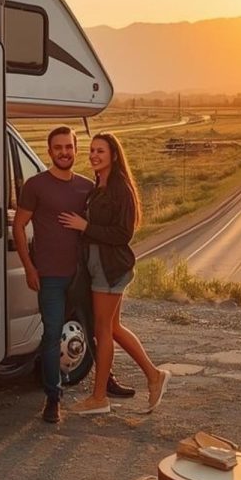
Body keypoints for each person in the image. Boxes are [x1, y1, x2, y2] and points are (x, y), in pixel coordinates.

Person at [12, 126, 136, 425]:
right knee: (53, 334)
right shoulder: (35, 185)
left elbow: (100, 224)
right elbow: (18, 226)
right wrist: (29, 267)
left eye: (69, 147)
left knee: (97, 329)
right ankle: (53, 399)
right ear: (49, 150)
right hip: (50, 276)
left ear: (75, 150)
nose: (64, 152)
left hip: (84, 275)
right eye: (58, 148)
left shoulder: (86, 187)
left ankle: (107, 382)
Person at [59, 132, 169, 416]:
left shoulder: (120, 189)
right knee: (113, 328)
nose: (94, 155)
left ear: (114, 156)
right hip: (100, 267)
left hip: (110, 268)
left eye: (101, 151)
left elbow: (123, 234)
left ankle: (99, 398)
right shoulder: (100, 186)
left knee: (102, 330)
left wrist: (85, 227)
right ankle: (154, 376)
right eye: (92, 151)